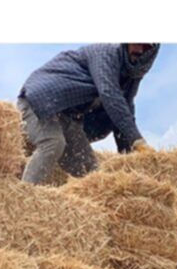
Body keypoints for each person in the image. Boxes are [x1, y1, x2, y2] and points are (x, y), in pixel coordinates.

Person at [17, 43, 160, 184]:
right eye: (136, 43)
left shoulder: (131, 77)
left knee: (91, 173)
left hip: (67, 116)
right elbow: (109, 94)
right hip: (40, 101)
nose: (139, 50)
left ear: (152, 52)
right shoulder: (106, 54)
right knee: (53, 143)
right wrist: (137, 140)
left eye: (146, 47)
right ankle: (25, 196)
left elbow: (124, 112)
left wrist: (129, 160)